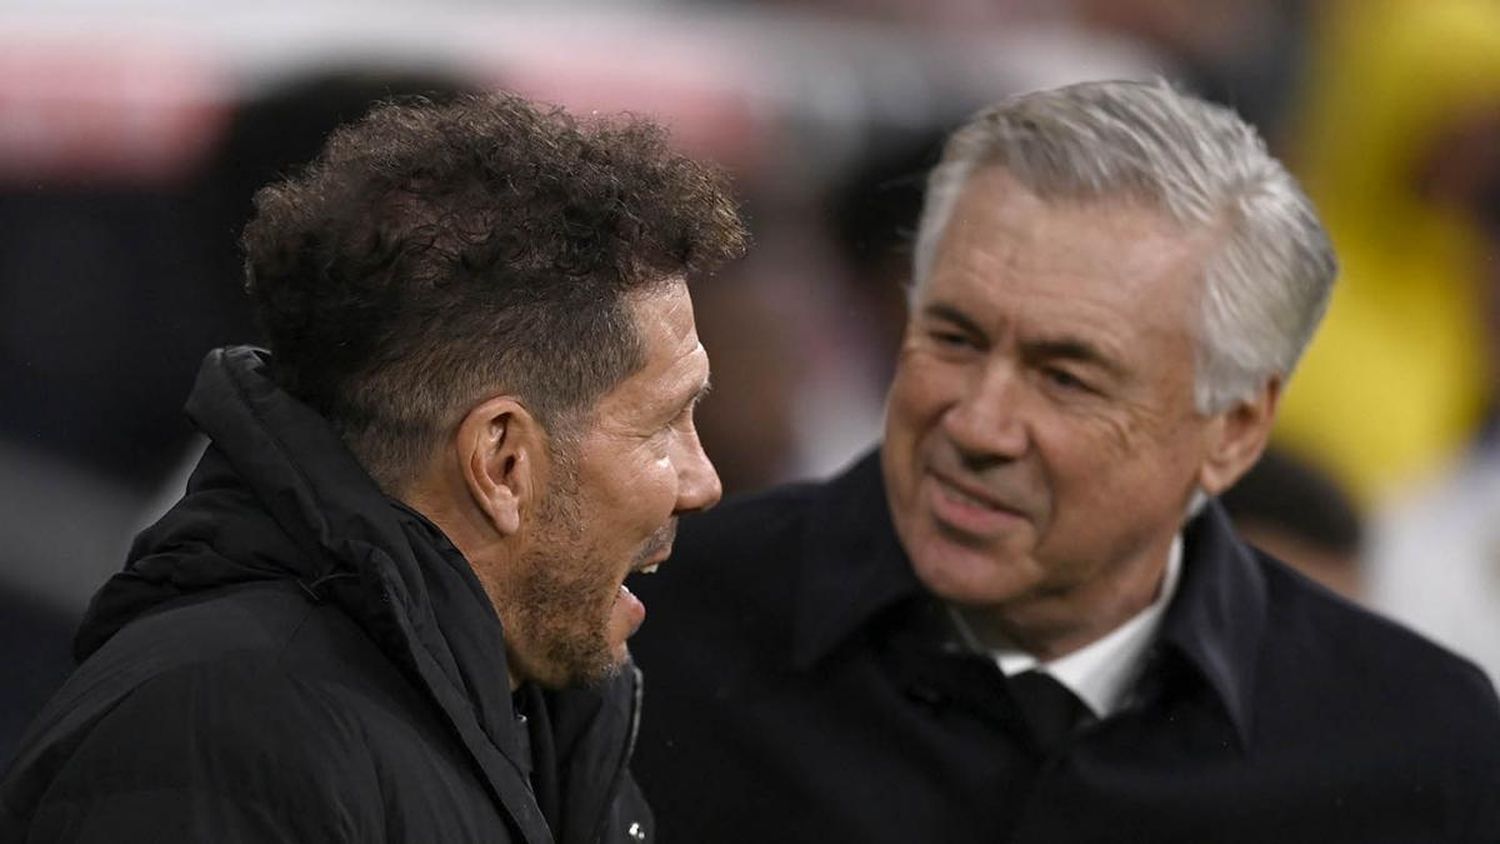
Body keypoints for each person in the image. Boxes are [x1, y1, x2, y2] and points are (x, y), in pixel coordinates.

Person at [629, 79, 1500, 842]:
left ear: (1234, 428)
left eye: (1067, 377)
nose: (979, 425)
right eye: (954, 338)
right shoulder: (651, 632)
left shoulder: (1417, 748)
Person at [0, 92, 745, 842]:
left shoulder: (548, 724)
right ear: (502, 461)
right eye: (660, 426)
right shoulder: (216, 742)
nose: (701, 481)